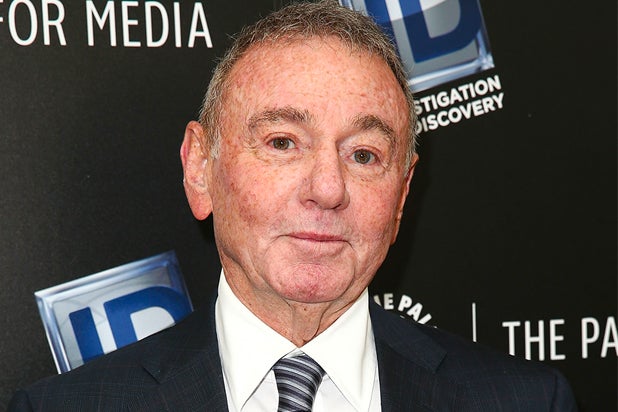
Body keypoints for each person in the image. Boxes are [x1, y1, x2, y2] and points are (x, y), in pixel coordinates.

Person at [9, 1, 577, 411]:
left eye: (364, 154)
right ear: (200, 169)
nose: (327, 189)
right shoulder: (68, 407)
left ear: (402, 196)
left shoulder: (524, 402)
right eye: (282, 143)